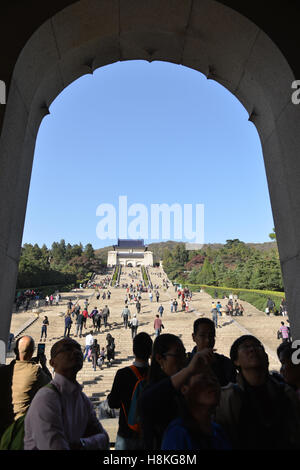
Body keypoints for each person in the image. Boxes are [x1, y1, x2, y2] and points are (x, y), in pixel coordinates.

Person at [215, 334, 300, 449]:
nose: (252, 349)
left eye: (257, 346)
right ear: (236, 361)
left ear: (266, 356)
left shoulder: (286, 392)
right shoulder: (226, 398)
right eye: (245, 347)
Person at [24, 338, 109, 450]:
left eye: (79, 348)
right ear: (52, 363)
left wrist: (80, 444)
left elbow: (104, 438)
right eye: (67, 349)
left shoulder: (82, 399)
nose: (76, 352)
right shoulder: (46, 398)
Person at [139, 333, 209, 450]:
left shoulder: (184, 387)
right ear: (159, 358)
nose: (183, 361)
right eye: (178, 355)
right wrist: (189, 370)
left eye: (184, 355)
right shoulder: (153, 391)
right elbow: (146, 400)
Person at [161, 371, 231, 450]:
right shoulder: (177, 433)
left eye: (215, 380)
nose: (211, 383)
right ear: (184, 389)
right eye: (203, 379)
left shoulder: (218, 431)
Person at [107, 333, 153, 450]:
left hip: (126, 432)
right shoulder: (157, 375)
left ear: (133, 350)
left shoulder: (123, 374)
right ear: (150, 351)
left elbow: (113, 403)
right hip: (150, 435)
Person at [0, 336, 52, 439]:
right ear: (32, 352)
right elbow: (51, 385)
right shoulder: (35, 371)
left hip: (3, 426)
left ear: (15, 351)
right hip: (21, 430)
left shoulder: (3, 371)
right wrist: (44, 365)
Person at [188, 318, 236, 387]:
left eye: (211, 335)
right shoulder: (184, 362)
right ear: (194, 337)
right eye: (202, 335)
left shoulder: (225, 363)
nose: (208, 340)